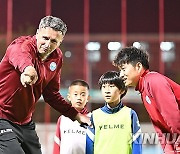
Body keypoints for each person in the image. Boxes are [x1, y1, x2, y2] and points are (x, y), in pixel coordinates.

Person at [0, 16, 90, 154]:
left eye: (54, 41)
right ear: (37, 33)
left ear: (60, 42)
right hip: (2, 116)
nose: (48, 44)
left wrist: (76, 116)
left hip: (25, 122)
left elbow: (51, 95)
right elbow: (21, 58)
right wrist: (28, 71)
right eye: (45, 38)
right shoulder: (20, 46)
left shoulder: (57, 57)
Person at [113, 46, 180, 153]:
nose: (120, 75)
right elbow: (161, 128)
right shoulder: (144, 91)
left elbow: (173, 116)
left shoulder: (153, 80)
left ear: (138, 66)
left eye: (123, 69)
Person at [86, 71, 142, 154]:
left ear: (122, 90)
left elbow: (137, 143)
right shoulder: (94, 115)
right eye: (104, 87)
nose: (107, 91)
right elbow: (89, 145)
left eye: (111, 86)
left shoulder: (130, 114)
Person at [53, 79, 91, 154]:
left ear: (88, 98)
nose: (79, 98)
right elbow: (57, 142)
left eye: (83, 94)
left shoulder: (91, 118)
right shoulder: (63, 119)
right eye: (75, 94)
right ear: (69, 97)